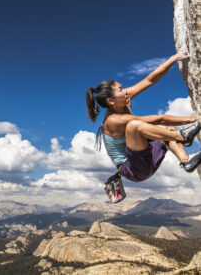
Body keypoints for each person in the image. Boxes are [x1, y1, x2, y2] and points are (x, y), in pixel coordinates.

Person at [86, 48, 201, 183]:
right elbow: (157, 119)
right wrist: (191, 119)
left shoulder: (122, 99)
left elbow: (150, 80)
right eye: (120, 90)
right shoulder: (113, 121)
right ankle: (182, 137)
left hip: (145, 156)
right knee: (134, 126)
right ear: (111, 101)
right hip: (134, 169)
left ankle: (185, 161)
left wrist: (175, 58)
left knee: (168, 128)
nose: (125, 91)